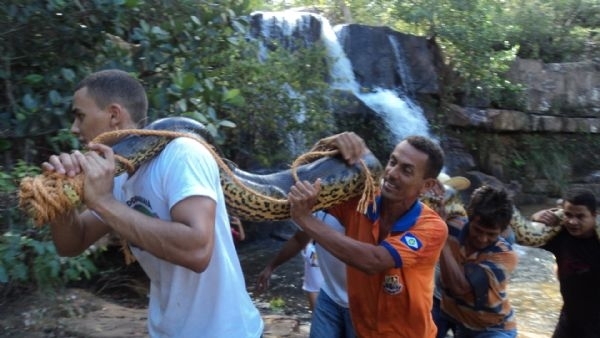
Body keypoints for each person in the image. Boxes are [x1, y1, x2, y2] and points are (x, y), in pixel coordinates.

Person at [41, 69, 263, 337]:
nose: (74, 128)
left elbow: (197, 251)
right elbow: (71, 244)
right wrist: (56, 195)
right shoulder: (117, 176)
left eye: (80, 116)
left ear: (113, 115)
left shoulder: (182, 153)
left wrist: (102, 202)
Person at [287, 132, 448, 337]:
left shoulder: (432, 227)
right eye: (392, 162)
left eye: (406, 170)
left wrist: (305, 219)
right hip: (362, 329)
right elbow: (309, 184)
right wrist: (327, 144)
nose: (391, 173)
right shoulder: (361, 199)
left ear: (427, 186)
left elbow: (373, 260)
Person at [256, 211, 357, 338]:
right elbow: (299, 239)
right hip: (329, 295)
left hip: (360, 301)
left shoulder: (366, 207)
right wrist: (271, 267)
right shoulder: (321, 208)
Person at [438, 185, 518, 338]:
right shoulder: (453, 227)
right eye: (477, 230)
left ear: (503, 231)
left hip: (493, 328)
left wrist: (440, 236)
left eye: (491, 234)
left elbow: (460, 287)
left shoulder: (505, 255)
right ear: (469, 216)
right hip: (460, 321)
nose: (482, 239)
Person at [519, 187, 600, 337]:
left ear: (594, 216)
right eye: (568, 215)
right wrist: (536, 218)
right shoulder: (561, 235)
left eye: (580, 216)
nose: (572, 222)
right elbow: (524, 239)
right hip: (569, 320)